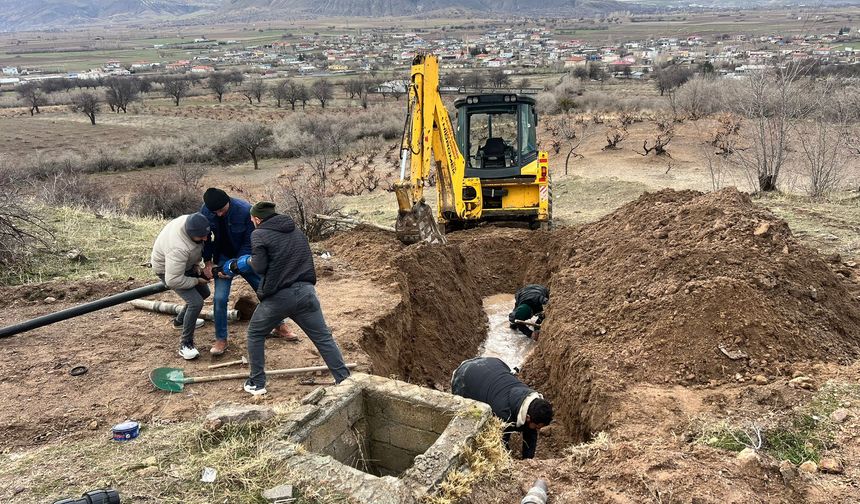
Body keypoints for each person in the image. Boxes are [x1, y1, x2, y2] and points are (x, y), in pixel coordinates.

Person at [229, 201, 351, 396]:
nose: (252, 222)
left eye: (252, 219)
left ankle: (257, 383)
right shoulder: (297, 232)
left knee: (255, 333)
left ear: (258, 219)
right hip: (307, 293)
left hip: (279, 297)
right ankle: (344, 381)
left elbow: (259, 267)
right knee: (323, 337)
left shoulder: (259, 234)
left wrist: (243, 263)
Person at [200, 188, 295, 355]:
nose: (219, 214)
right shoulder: (206, 211)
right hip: (221, 258)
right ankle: (221, 339)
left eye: (222, 210)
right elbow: (206, 239)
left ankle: (280, 326)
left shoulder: (244, 210)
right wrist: (207, 262)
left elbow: (250, 242)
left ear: (228, 201)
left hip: (244, 257)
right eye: (216, 212)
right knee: (220, 298)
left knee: (264, 289)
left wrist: (234, 266)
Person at [451, 357, 553, 459]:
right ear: (527, 417)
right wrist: (507, 458)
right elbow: (500, 443)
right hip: (466, 375)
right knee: (467, 413)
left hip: (493, 363)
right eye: (536, 427)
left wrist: (528, 460)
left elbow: (530, 434)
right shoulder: (503, 414)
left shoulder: (531, 400)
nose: (537, 430)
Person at [150, 212, 212, 360]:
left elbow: (196, 247)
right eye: (201, 237)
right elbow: (173, 280)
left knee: (204, 293)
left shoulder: (193, 222)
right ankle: (185, 344)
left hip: (185, 265)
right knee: (196, 302)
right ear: (191, 234)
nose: (205, 239)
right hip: (168, 272)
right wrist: (197, 281)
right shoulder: (178, 248)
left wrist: (197, 264)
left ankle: (180, 321)